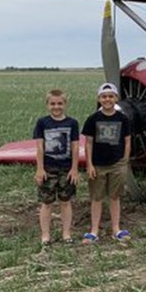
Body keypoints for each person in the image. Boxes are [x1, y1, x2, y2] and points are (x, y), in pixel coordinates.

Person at [81, 82, 133, 245]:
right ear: (99, 99)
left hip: (117, 164)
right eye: (104, 97)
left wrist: (124, 160)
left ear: (116, 98)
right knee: (96, 198)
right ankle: (94, 230)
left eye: (111, 96)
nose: (107, 99)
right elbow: (88, 143)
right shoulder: (93, 119)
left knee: (115, 197)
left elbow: (127, 141)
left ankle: (116, 229)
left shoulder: (123, 119)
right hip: (98, 164)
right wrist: (89, 165)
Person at [33, 89, 80, 247]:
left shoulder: (72, 123)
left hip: (66, 169)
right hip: (49, 168)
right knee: (47, 203)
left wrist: (74, 169)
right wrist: (40, 169)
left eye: (60, 103)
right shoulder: (42, 123)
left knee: (65, 202)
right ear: (47, 105)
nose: (56, 106)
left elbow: (75, 148)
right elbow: (40, 147)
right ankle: (45, 235)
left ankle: (66, 233)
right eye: (53, 103)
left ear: (65, 104)